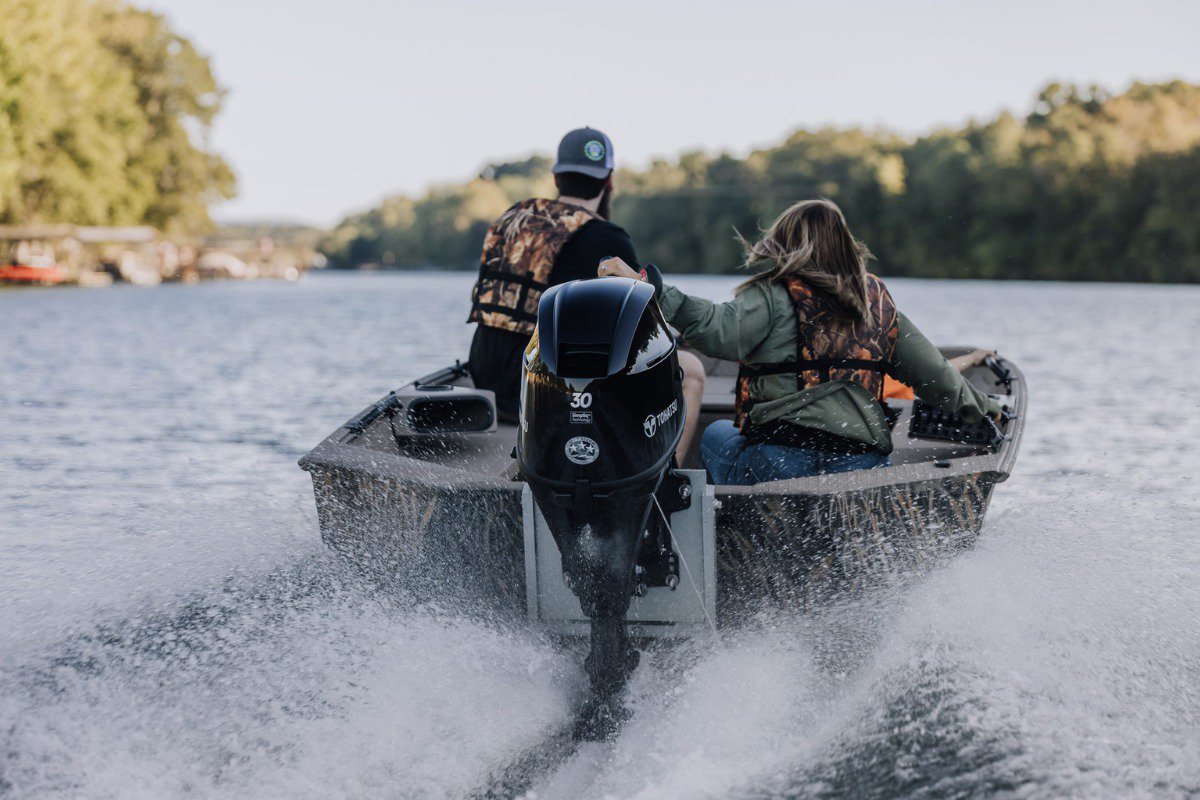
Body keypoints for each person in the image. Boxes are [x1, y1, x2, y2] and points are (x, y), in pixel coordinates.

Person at [598, 199, 1001, 485]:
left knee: (717, 434)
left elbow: (714, 327)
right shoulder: (877, 305)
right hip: (858, 468)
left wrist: (648, 289)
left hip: (777, 462)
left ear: (784, 246)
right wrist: (987, 412)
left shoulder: (773, 297)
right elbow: (939, 380)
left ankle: (732, 532)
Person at [466, 127, 704, 456]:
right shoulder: (606, 237)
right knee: (692, 370)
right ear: (609, 181)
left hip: (486, 381)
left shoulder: (510, 220)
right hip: (540, 389)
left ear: (556, 179)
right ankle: (669, 485)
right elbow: (642, 329)